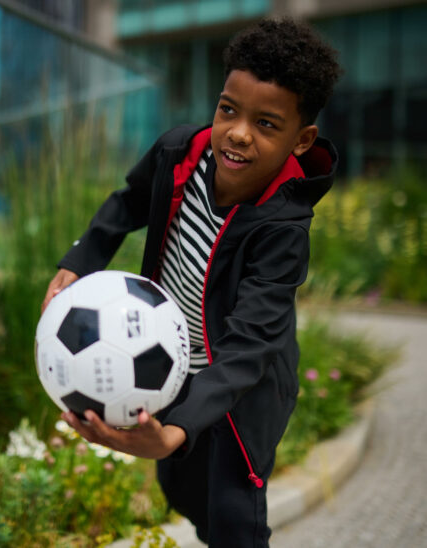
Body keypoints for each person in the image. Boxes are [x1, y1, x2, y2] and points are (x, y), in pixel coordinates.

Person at [42, 17, 341, 547]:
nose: (239, 133)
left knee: (233, 515)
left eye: (266, 124)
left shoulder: (283, 229)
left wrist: (177, 430)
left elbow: (252, 343)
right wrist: (83, 257)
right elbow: (128, 202)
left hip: (243, 389)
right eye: (229, 110)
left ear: (301, 140)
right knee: (181, 488)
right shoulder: (179, 153)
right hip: (172, 367)